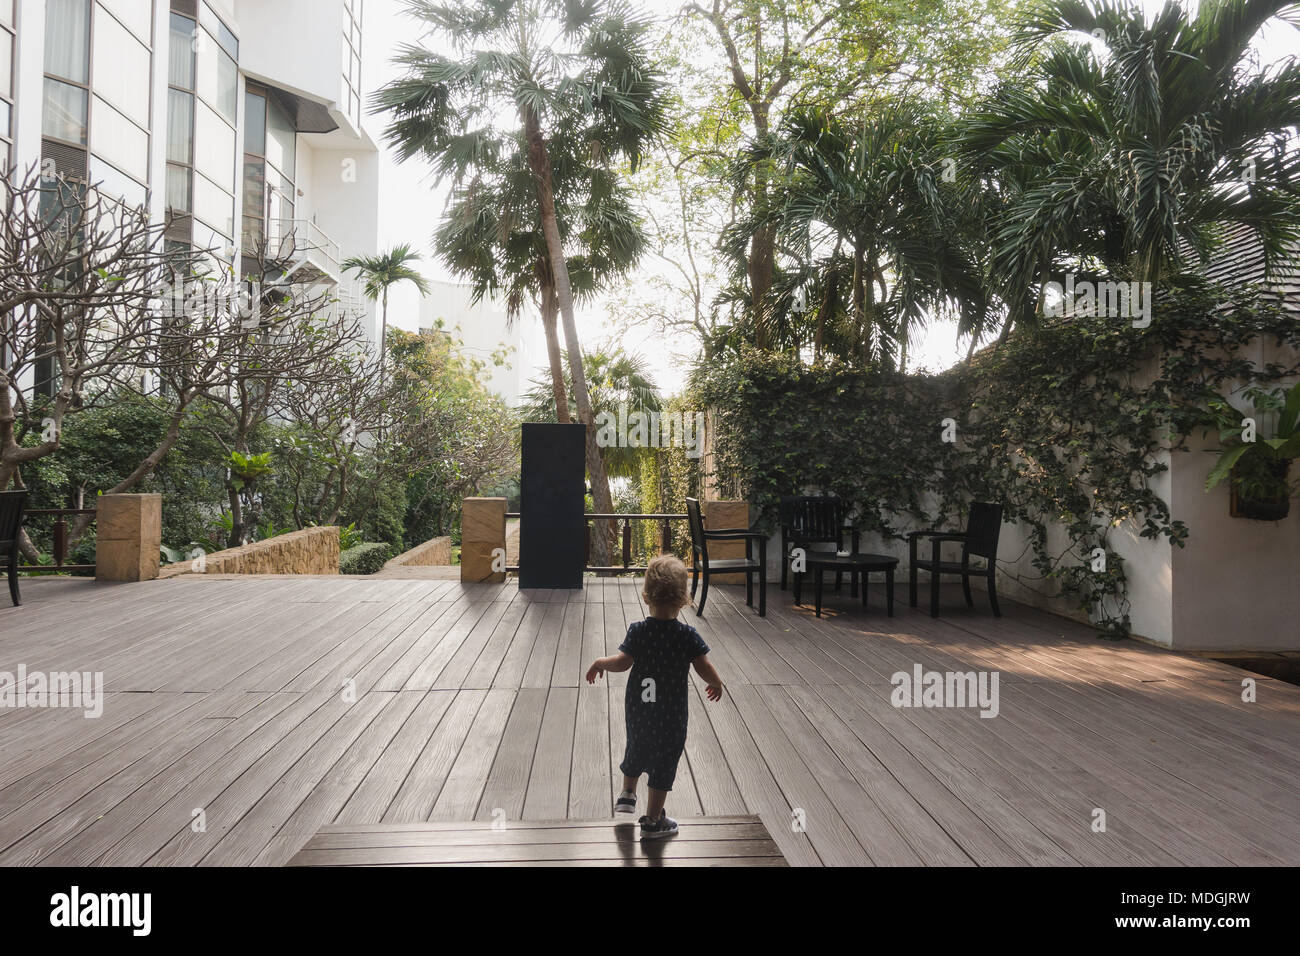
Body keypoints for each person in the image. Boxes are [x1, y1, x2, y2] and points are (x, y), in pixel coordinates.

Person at [585, 554, 725, 839]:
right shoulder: (687, 636)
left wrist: (600, 661)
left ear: (646, 595)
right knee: (664, 760)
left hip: (640, 706)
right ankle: (652, 821)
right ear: (683, 599)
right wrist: (716, 681)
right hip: (671, 714)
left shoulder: (639, 631)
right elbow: (703, 666)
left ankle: (627, 792)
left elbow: (623, 662)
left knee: (637, 742)